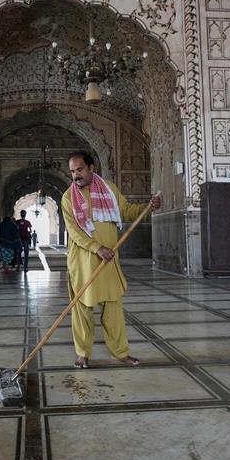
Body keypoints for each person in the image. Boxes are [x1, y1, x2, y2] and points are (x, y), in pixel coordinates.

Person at [61, 151, 161, 369]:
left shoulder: (109, 189)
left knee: (113, 309)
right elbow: (75, 233)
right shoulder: (68, 198)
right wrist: (97, 248)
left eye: (80, 169)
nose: (76, 175)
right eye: (72, 171)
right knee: (82, 310)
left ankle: (121, 353)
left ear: (91, 168)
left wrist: (147, 207)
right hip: (83, 264)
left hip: (108, 262)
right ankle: (83, 354)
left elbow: (125, 211)